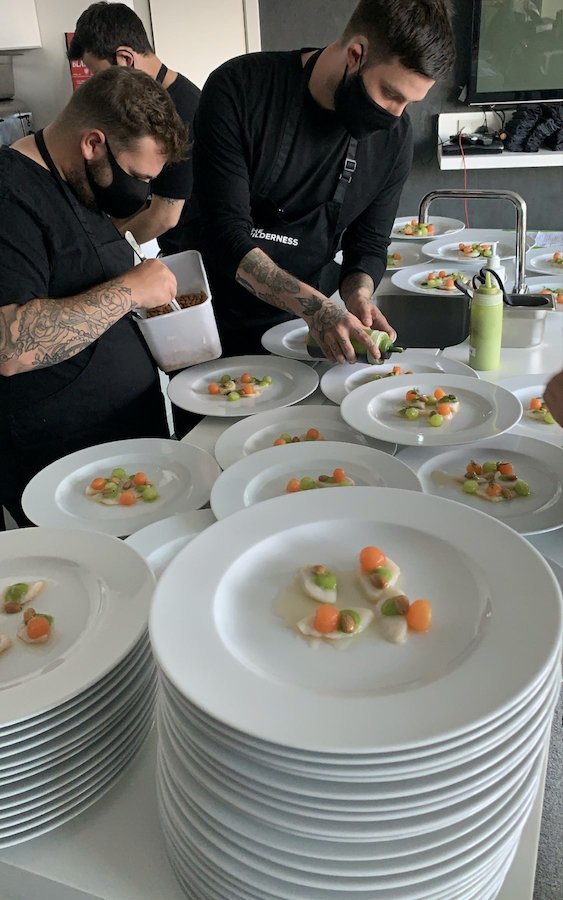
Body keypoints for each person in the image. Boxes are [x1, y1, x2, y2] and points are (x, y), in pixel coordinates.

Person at [192, 0, 455, 368]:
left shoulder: (393, 139)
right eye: (392, 94)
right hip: (219, 324)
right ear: (356, 54)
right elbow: (225, 237)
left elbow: (368, 244)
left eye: (408, 103)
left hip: (309, 333)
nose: (396, 115)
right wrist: (317, 307)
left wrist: (358, 295)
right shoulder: (240, 90)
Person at [0, 67, 187, 526]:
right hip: (63, 467)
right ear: (93, 143)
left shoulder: (79, 179)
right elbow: (12, 345)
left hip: (125, 444)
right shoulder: (9, 195)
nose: (141, 194)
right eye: (135, 177)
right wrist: (130, 289)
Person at [68, 1, 200, 255]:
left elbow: (165, 216)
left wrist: (102, 252)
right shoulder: (144, 103)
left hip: (192, 254)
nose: (99, 84)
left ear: (125, 58)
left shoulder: (184, 109)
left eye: (98, 74)